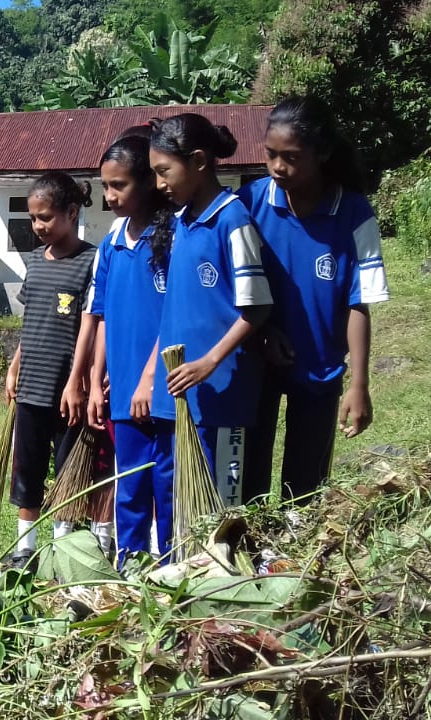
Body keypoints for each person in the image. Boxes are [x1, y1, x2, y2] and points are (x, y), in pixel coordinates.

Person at [238, 96, 390, 504]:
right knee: (248, 480)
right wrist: (264, 331)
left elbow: (360, 303)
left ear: (322, 154)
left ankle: (292, 560)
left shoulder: (354, 214)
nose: (277, 167)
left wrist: (359, 385)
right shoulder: (251, 203)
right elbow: (231, 287)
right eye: (270, 155)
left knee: (304, 490)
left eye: (291, 157)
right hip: (258, 366)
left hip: (321, 372)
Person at [148, 113, 273, 507]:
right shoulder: (181, 223)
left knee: (219, 508)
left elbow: (258, 308)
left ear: (199, 162)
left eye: (164, 171)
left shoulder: (232, 220)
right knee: (176, 501)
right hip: (176, 396)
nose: (158, 184)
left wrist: (209, 362)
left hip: (221, 396)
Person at [84, 128, 178, 561]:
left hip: (166, 393)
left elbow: (178, 314)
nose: (109, 195)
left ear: (148, 182)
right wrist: (95, 377)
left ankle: (173, 569)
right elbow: (101, 317)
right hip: (122, 394)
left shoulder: (177, 237)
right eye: (105, 186)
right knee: (131, 488)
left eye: (117, 185)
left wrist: (151, 378)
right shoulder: (110, 246)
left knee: (169, 485)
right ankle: (130, 567)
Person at [3, 171, 98, 567]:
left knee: (68, 468)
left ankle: (62, 549)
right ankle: (25, 548)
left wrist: (78, 382)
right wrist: (14, 366)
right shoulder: (35, 264)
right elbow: (32, 324)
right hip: (32, 386)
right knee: (27, 467)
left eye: (45, 217)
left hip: (68, 392)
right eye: (33, 219)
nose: (38, 226)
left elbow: (92, 328)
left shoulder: (90, 262)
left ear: (72, 212)